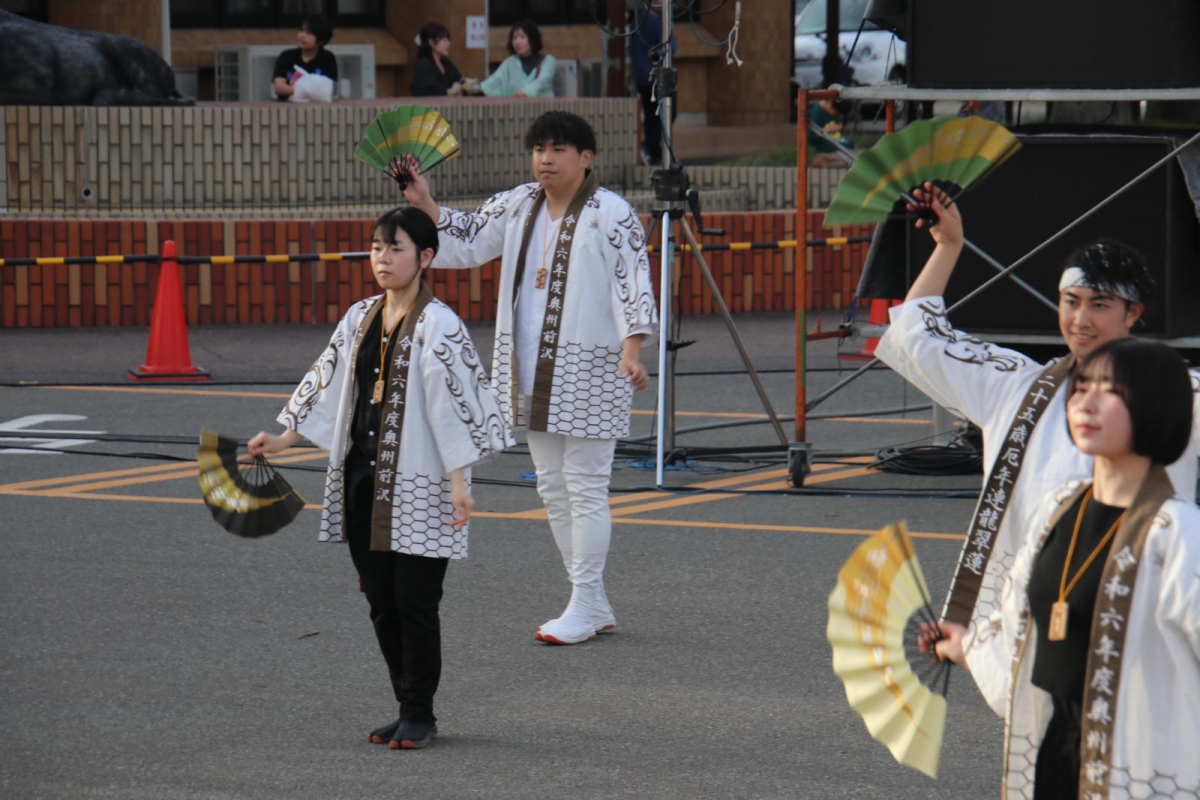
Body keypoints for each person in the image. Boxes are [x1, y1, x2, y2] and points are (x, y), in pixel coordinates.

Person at [876, 185, 1200, 655]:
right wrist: (949, 247)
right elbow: (918, 333)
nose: (1081, 318)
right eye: (1071, 301)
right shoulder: (1017, 385)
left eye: (1100, 304)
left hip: (1139, 616)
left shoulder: (1178, 391)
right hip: (1036, 615)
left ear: (1134, 313)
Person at [247, 207, 512, 749]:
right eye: (376, 248)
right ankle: (405, 704)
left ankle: (420, 711)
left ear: (426, 258)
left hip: (422, 482)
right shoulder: (360, 315)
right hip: (362, 479)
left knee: (416, 600)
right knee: (380, 599)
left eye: (395, 248)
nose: (382, 259)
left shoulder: (441, 325)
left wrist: (461, 482)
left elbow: (456, 409)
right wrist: (283, 438)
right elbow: (324, 379)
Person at [401, 110, 658, 645]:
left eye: (559, 148)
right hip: (528, 369)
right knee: (552, 486)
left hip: (594, 366)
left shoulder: (612, 213)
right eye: (539, 148)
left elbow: (633, 282)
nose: (546, 157)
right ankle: (590, 599)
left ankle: (585, 601)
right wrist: (425, 202)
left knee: (585, 485)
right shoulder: (519, 202)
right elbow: (466, 239)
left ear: (585, 158)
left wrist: (633, 349)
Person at [925, 339, 1200, 800]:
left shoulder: (1178, 533)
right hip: (1055, 749)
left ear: (1154, 406)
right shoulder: (1058, 507)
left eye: (1110, 391)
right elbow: (1017, 617)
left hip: (1143, 764)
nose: (1084, 403)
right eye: (1081, 387)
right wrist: (967, 643)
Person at [628, 1, 676, 166]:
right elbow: (671, 48)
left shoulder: (637, 22)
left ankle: (651, 150)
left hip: (642, 77)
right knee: (666, 113)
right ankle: (655, 151)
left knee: (650, 115)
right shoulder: (658, 24)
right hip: (658, 77)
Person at [475, 20, 556, 97]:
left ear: (532, 39)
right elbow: (492, 82)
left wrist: (526, 92)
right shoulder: (510, 62)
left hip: (544, 109)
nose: (517, 42)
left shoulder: (548, 61)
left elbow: (542, 81)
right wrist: (475, 89)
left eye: (522, 37)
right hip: (517, 110)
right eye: (514, 38)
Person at [272, 14, 338, 101]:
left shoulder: (327, 58)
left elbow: (328, 89)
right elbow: (279, 88)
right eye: (301, 30)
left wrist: (299, 94)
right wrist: (309, 92)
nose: (302, 36)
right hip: (286, 108)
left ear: (321, 41)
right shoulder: (286, 56)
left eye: (309, 33)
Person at [411, 22, 464, 97]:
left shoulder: (446, 63)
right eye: (443, 40)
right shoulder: (423, 64)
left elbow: (460, 79)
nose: (448, 44)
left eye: (448, 40)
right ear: (431, 43)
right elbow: (428, 91)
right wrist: (450, 91)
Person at [808, 97, 854, 167]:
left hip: (838, 146)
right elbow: (810, 136)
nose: (836, 114)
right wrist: (827, 130)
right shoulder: (816, 113)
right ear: (830, 103)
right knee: (854, 160)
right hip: (824, 149)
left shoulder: (831, 114)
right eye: (837, 112)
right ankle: (822, 162)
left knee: (860, 156)